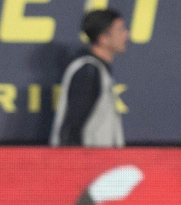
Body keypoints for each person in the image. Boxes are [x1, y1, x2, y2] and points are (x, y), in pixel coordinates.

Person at [50, 8, 128, 148]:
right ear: (103, 38)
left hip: (97, 163)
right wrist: (73, 165)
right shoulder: (88, 71)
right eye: (120, 30)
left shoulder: (98, 70)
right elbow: (72, 126)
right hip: (85, 164)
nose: (126, 34)